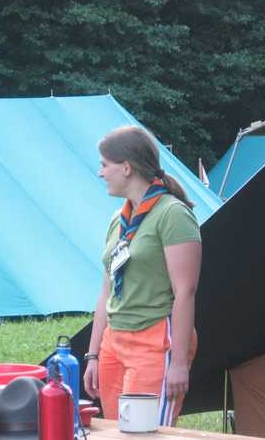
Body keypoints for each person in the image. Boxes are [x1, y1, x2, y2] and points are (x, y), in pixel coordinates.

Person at [83, 125, 202, 426]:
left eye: (104, 165)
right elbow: (106, 290)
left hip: (154, 341)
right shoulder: (119, 218)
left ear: (126, 167)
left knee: (144, 432)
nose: (100, 172)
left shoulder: (172, 214)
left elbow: (185, 291)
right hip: (113, 342)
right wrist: (93, 355)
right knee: (117, 431)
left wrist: (178, 363)